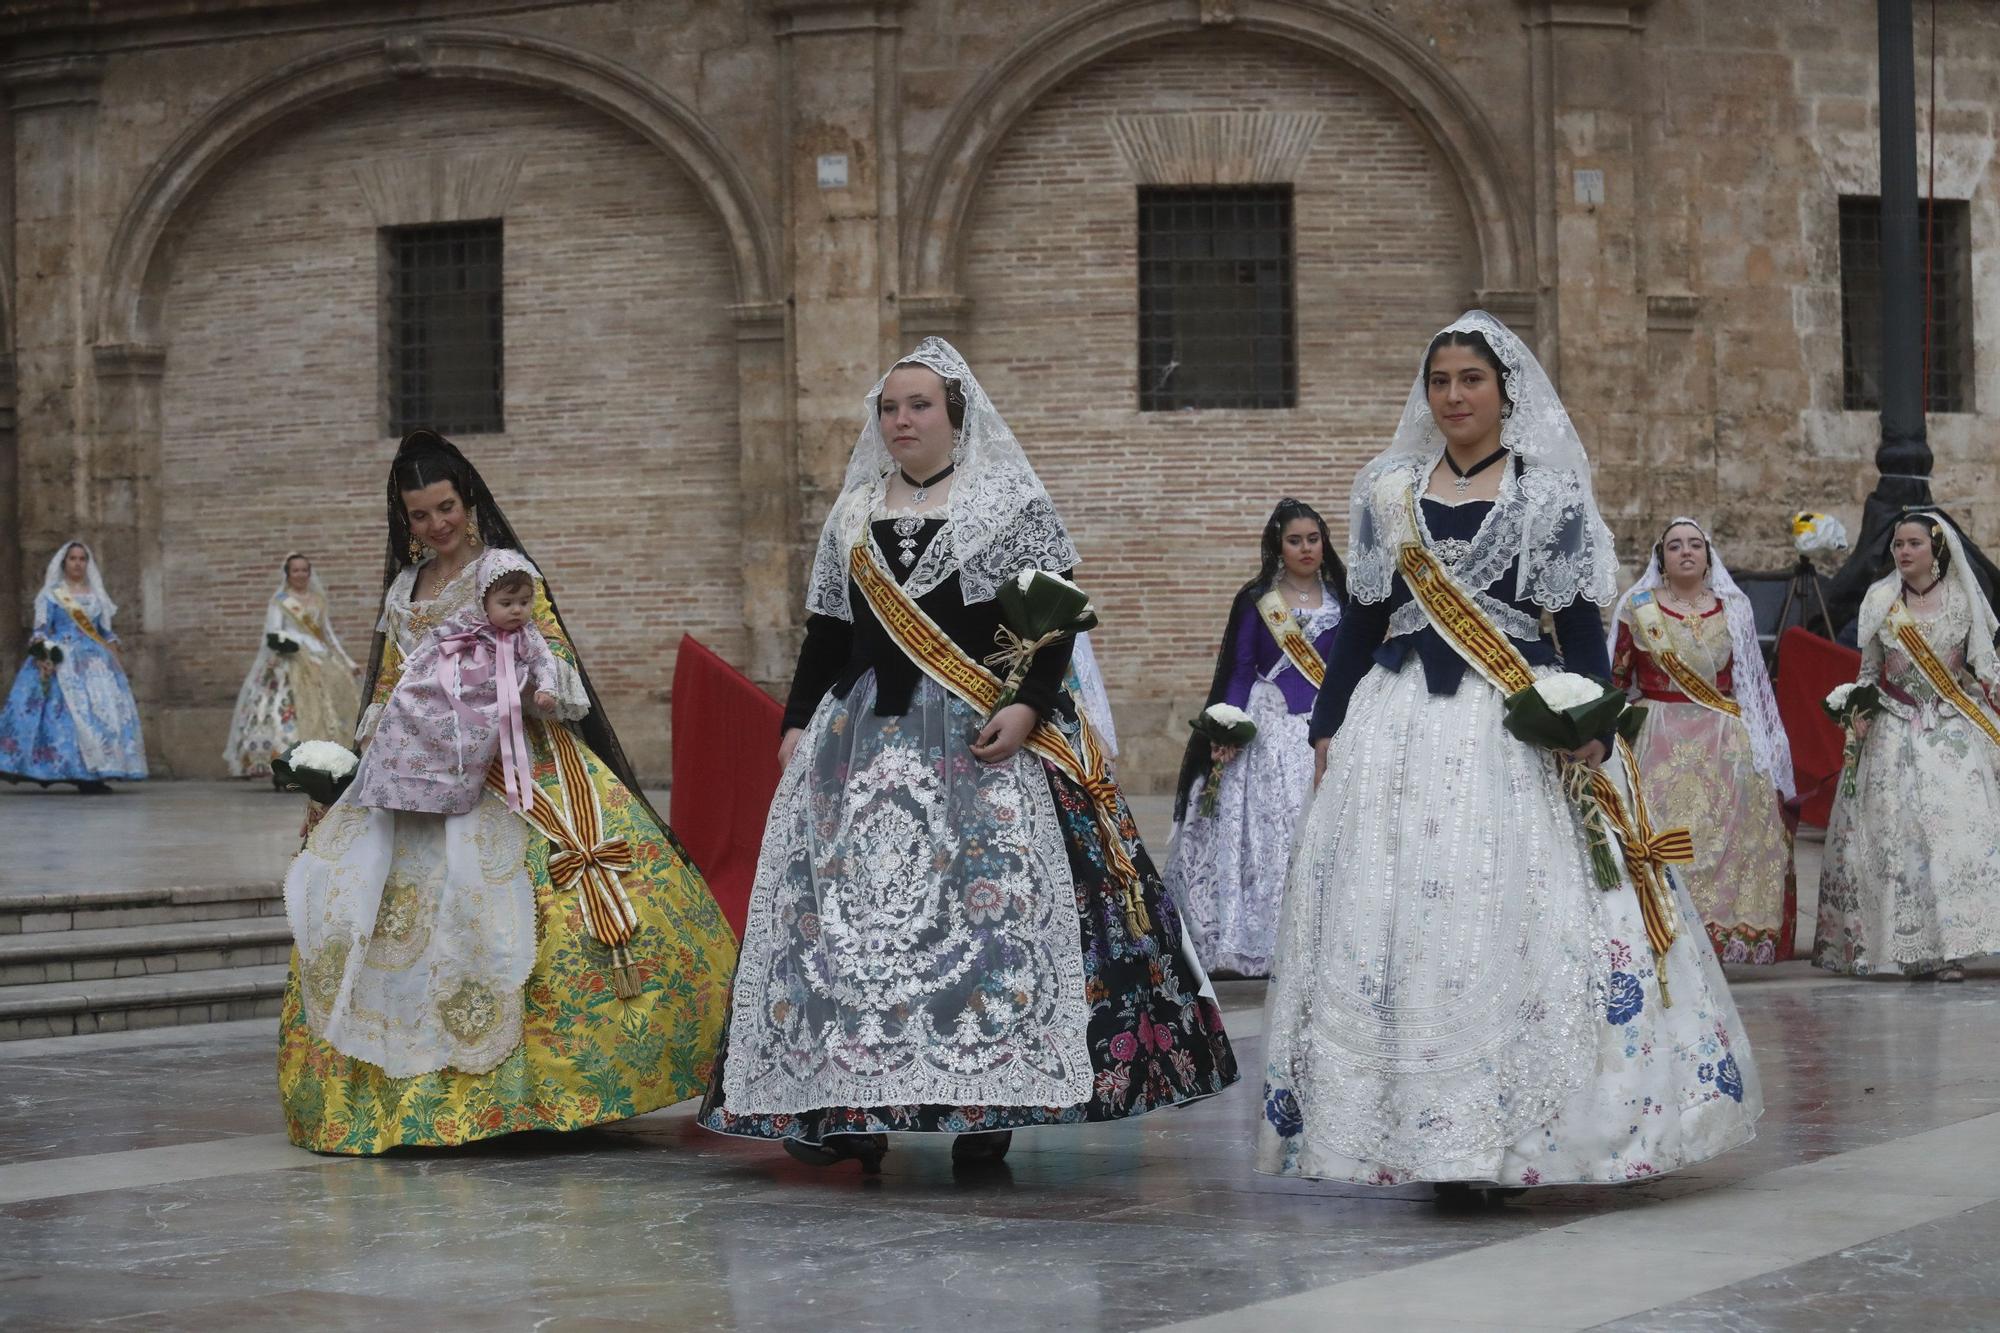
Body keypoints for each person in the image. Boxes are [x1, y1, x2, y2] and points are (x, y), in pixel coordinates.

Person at [698, 338, 1237, 1171]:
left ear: (955, 415)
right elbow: (829, 634)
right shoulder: (852, 514)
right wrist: (797, 722)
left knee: (989, 926)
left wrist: (1026, 705)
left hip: (980, 747)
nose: (901, 419)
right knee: (847, 933)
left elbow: (1050, 623)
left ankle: (987, 1107)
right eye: (889, 407)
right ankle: (850, 1107)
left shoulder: (1003, 506)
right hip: (859, 746)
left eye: (918, 405)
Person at [1256, 311, 1761, 1196]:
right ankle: (1415, 1130)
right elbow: (1365, 622)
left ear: (1505, 392)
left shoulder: (1550, 498)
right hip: (1398, 731)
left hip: (1512, 731)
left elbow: (1575, 628)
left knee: (1517, 913)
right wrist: (1326, 727)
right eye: (1440, 381)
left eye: (1471, 380)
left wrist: (1592, 726)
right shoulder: (1386, 493)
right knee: (1402, 920)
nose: (1453, 396)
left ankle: (1517, 1136)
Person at [277, 430, 738, 1154]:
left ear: (469, 500)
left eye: (446, 507)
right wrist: (359, 764)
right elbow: (392, 683)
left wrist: (515, 677)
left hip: (514, 762)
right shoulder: (406, 588)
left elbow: (549, 654)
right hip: (413, 772)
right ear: (404, 520)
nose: (437, 525)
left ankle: (553, 1086)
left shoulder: (504, 571)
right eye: (420, 515)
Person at [1814, 510, 2000, 980]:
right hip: (1893, 729)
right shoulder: (1880, 601)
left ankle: (1956, 944)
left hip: (1951, 726)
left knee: (1959, 831)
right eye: (1898, 544)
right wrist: (1856, 714)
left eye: (1913, 543)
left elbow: (1980, 669)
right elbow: (1868, 672)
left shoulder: (1961, 601)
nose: (1903, 551)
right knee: (1903, 840)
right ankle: (1913, 950)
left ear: (1935, 549)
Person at [1163, 498, 1345, 977]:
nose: (1305, 548)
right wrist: (1227, 727)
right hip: (1266, 726)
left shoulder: (1344, 599)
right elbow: (1241, 669)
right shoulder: (1259, 599)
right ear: (1277, 547)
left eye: (1313, 538)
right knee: (1265, 827)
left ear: (1324, 542)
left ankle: (1325, 939)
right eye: (1294, 540)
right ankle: (1251, 940)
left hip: (1326, 725)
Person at [1611, 519, 1798, 963]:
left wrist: (1766, 748)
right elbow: (1618, 677)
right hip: (1658, 734)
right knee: (1664, 833)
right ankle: (1663, 932)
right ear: (1662, 558)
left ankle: (1723, 935)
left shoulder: (1733, 607)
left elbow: (1752, 683)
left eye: (1695, 545)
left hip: (1723, 737)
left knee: (1730, 838)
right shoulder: (1637, 607)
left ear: (1708, 556)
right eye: (1675, 546)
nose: (1686, 552)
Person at [348, 551, 559, 816]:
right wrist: (413, 662)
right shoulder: (468, 622)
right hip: (453, 690)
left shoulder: (526, 635)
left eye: (524, 602)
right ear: (485, 601)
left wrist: (547, 687)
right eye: (506, 603)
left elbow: (543, 659)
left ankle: (452, 795)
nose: (517, 610)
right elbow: (437, 638)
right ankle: (400, 783)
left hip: (492, 702)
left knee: (470, 746)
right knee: (410, 704)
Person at [0, 541, 147, 793]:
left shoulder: (97, 596)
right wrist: (44, 654)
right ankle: (59, 769)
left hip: (95, 662)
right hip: (62, 659)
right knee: (63, 715)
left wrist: (113, 646)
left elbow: (104, 632)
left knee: (98, 714)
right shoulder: (52, 594)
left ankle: (92, 775)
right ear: (63, 562)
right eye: (73, 559)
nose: (78, 563)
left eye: (82, 559)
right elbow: (41, 630)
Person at [223, 553, 362, 779]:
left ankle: (326, 762)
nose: (300, 574)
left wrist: (348, 661)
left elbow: (328, 634)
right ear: (288, 574)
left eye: (304, 570)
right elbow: (274, 630)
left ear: (309, 572)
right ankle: (288, 764)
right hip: (290, 660)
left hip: (320, 657)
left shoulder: (318, 600)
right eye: (295, 570)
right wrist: (286, 645)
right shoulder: (280, 601)